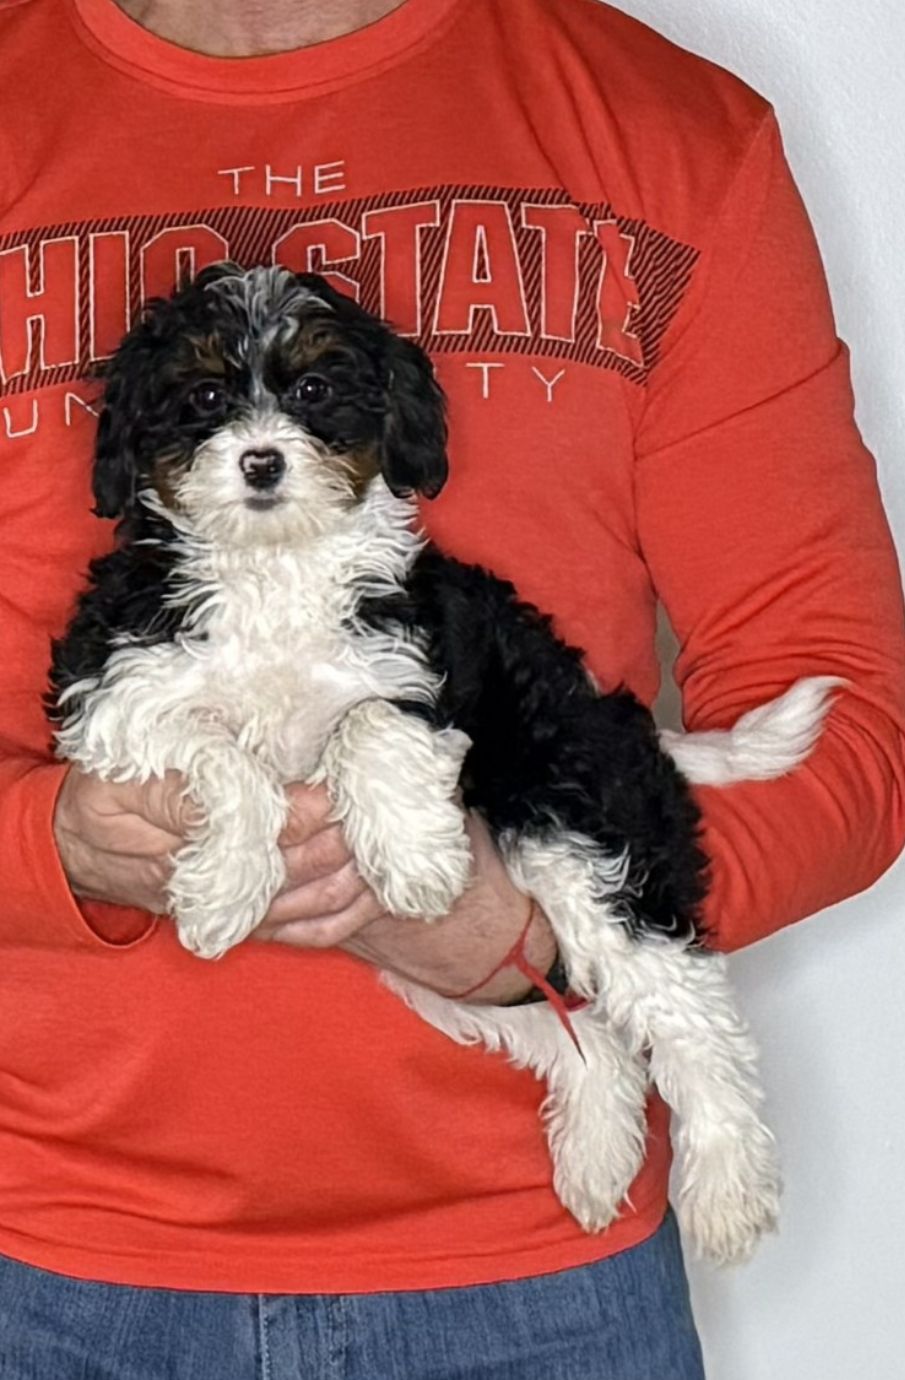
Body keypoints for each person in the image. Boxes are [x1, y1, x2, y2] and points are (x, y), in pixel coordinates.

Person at [0, 0, 903, 1375]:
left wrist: (531, 924)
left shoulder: (665, 136)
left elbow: (848, 726)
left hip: (541, 1281)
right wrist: (48, 850)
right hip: (39, 1264)